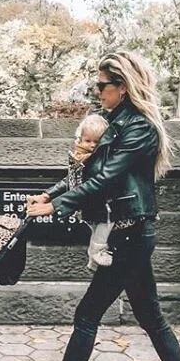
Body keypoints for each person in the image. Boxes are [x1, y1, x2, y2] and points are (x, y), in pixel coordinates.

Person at [8, 51, 180, 361]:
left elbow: (107, 179)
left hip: (129, 234)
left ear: (122, 87)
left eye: (102, 86)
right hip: (128, 234)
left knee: (87, 314)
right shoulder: (113, 123)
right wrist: (49, 194)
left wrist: (57, 207)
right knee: (151, 317)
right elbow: (86, 171)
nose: (98, 92)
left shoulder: (139, 128)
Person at [67, 114, 112, 270]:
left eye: (96, 141)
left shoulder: (88, 155)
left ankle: (94, 259)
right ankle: (97, 253)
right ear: (80, 139)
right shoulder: (83, 157)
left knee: (98, 230)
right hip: (91, 200)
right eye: (88, 141)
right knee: (103, 225)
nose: (92, 145)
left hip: (91, 200)